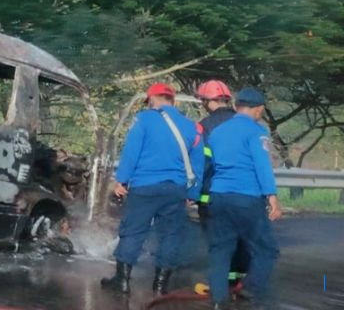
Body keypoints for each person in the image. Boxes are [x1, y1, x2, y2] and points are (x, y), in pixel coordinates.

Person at [101, 82, 203, 296]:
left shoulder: (144, 119)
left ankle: (122, 281)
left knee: (133, 231)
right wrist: (192, 194)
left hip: (144, 187)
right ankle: (160, 286)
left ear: (153, 99)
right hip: (176, 189)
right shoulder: (191, 126)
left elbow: (132, 151)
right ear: (172, 100)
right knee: (171, 236)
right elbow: (198, 165)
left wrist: (122, 180)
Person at [205, 87, 281, 310]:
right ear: (259, 109)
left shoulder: (217, 132)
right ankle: (248, 290)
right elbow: (262, 166)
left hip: (218, 195)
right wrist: (272, 198)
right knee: (266, 249)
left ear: (237, 107)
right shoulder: (256, 132)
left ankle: (218, 299)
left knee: (220, 249)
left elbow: (212, 164)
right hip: (247, 197)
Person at [194, 80, 250, 293]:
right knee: (240, 240)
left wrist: (193, 191)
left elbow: (202, 163)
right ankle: (236, 282)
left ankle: (220, 283)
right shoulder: (246, 123)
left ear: (208, 102)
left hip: (214, 195)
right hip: (244, 195)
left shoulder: (204, 126)